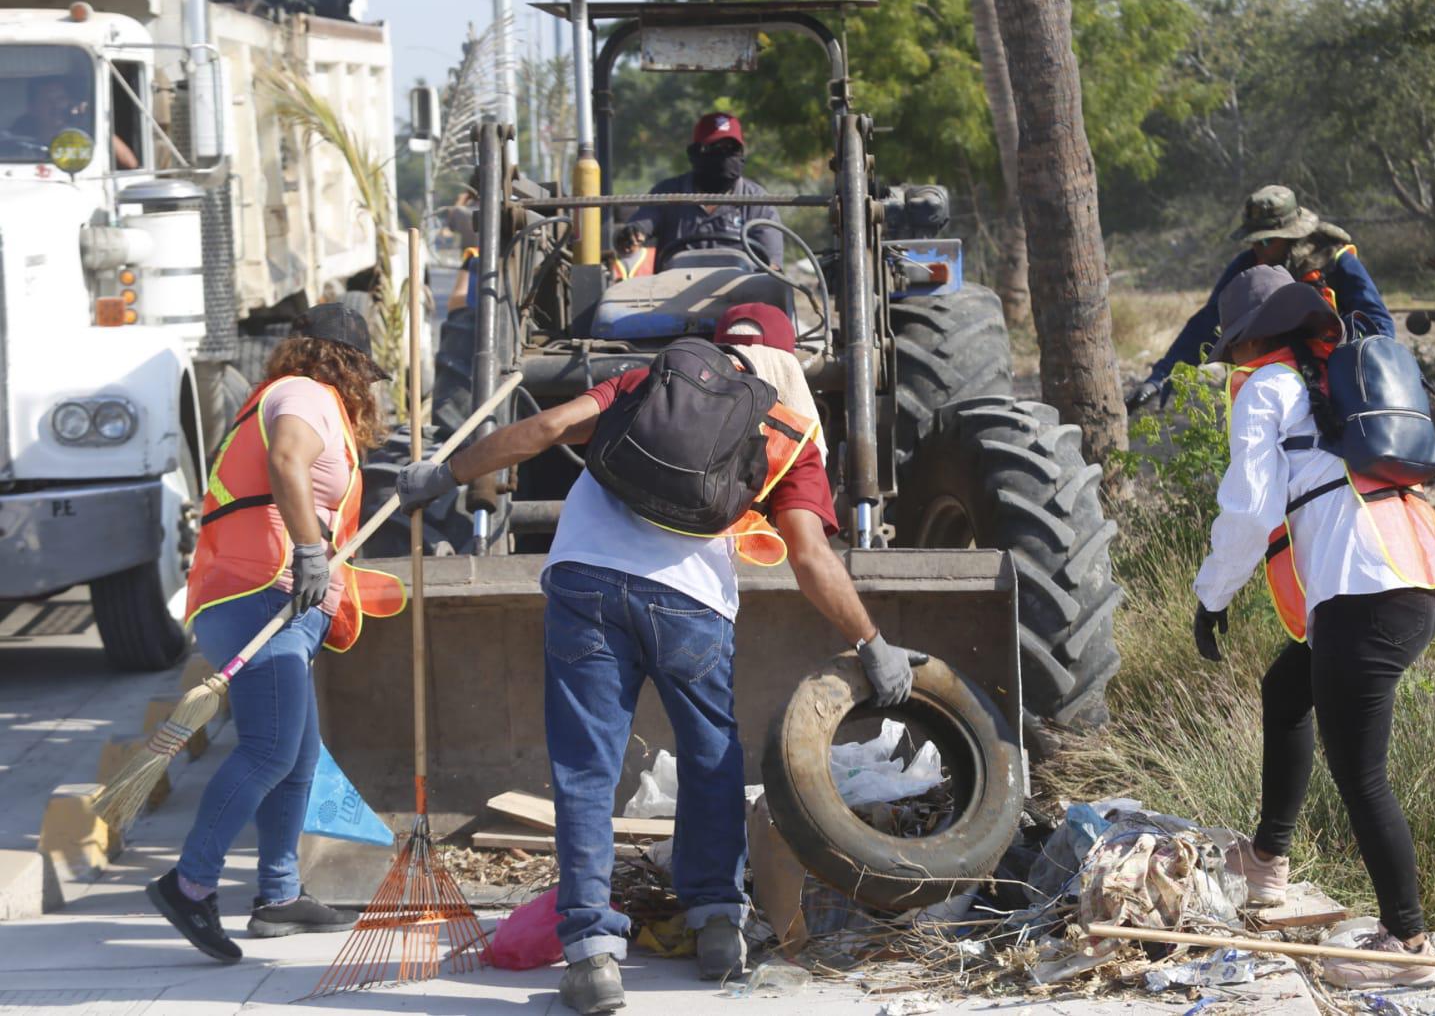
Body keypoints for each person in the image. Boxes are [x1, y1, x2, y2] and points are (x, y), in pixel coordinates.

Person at [395, 303, 923, 1015]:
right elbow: (808, 555)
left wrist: (446, 475)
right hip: (691, 608)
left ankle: (589, 957)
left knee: (586, 771)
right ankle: (716, 926)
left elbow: (545, 429)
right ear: (788, 357)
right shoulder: (791, 433)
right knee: (710, 757)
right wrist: (871, 641)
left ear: (715, 348)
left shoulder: (651, 379)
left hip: (584, 583)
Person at [1191, 266, 1435, 990]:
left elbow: (1250, 512)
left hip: (1365, 596)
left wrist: (1211, 596)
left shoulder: (1264, 390)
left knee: (1361, 776)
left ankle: (1406, 946)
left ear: (1249, 340)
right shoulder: (1325, 384)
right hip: (1414, 578)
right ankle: (1266, 861)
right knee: (1286, 689)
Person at [145, 304, 405, 961]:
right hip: (260, 594)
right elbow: (289, 461)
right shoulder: (305, 395)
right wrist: (311, 551)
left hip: (265, 599)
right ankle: (190, 884)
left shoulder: (287, 394)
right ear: (345, 363)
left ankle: (279, 896)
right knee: (267, 750)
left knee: (296, 757)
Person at [1128, 185, 1395, 409]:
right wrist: (1160, 377)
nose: (1258, 247)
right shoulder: (1247, 267)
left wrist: (1368, 378)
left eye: (1267, 241)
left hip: (1336, 383)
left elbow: (1379, 324)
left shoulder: (1335, 262)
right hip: (1272, 389)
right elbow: (1209, 322)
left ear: (1290, 236)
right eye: (1254, 239)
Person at [612, 112, 784, 271]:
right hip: (674, 294)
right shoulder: (668, 193)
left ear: (741, 154)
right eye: (714, 148)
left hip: (739, 296)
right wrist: (631, 235)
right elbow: (637, 231)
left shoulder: (757, 201)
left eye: (730, 149)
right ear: (694, 153)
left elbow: (772, 266)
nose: (723, 156)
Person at [9, 75, 137, 170]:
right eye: (47, 100)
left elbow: (130, 164)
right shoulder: (17, 142)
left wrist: (95, 122)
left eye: (60, 99)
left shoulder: (82, 138)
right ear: (33, 108)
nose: (56, 106)